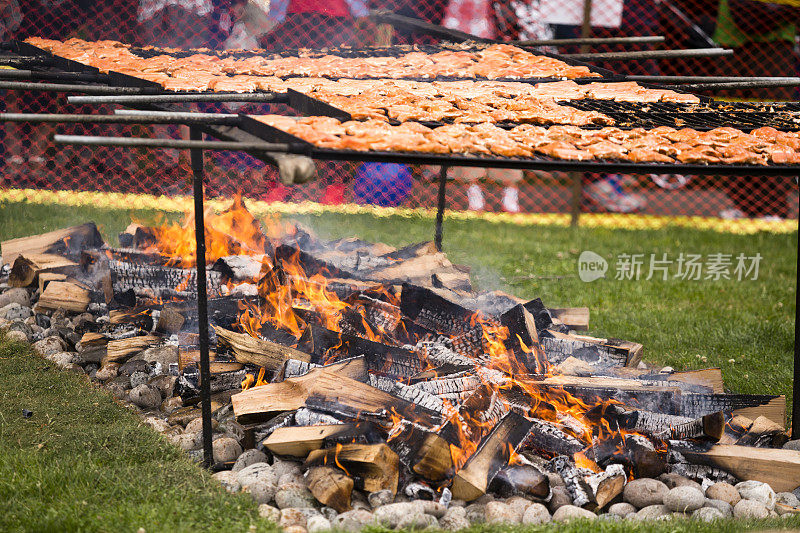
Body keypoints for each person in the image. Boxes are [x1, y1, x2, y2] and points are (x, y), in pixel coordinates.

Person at [713, 0, 799, 219]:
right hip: (732, 45)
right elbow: (744, 18)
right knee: (733, 127)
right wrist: (777, 12)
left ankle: (773, 208)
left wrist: (770, 13)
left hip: (774, 47)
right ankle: (745, 205)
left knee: (773, 128)